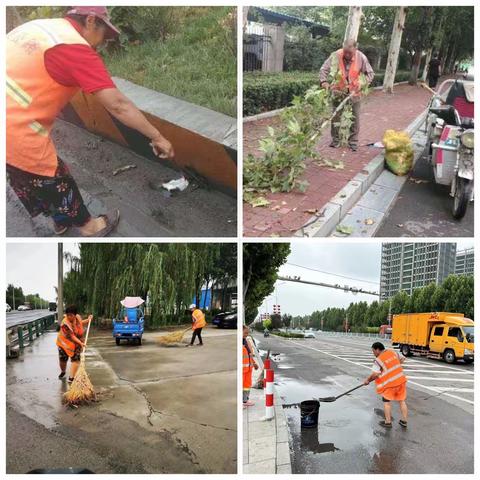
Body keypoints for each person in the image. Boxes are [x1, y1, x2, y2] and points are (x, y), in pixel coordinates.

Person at [6, 6, 174, 237]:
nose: (103, 42)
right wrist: (157, 136)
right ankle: (89, 227)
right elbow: (118, 105)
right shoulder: (73, 48)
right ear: (91, 20)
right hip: (13, 129)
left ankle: (59, 221)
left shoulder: (40, 27)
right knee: (51, 176)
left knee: (22, 173)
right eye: (105, 34)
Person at [319, 39, 375, 152]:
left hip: (355, 93)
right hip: (338, 91)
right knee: (336, 116)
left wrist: (363, 83)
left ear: (356, 48)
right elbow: (323, 69)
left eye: (350, 52)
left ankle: (353, 142)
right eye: (345, 52)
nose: (347, 54)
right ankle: (335, 141)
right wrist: (323, 82)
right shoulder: (336, 55)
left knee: (355, 118)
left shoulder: (361, 57)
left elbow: (370, 74)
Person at [364, 341, 408, 429]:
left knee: (386, 402)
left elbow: (375, 374)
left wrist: (367, 380)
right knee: (402, 401)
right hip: (401, 381)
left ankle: (388, 422)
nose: (373, 354)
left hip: (390, 384)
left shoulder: (378, 360)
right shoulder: (393, 352)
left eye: (373, 351)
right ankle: (404, 421)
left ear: (377, 349)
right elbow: (403, 359)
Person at [56, 305, 92, 383]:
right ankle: (63, 371)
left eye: (71, 315)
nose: (69, 317)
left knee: (75, 359)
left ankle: (71, 378)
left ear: (75, 315)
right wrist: (81, 343)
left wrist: (88, 320)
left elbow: (80, 323)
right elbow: (71, 336)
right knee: (63, 360)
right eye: (67, 315)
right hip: (63, 343)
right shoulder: (65, 324)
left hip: (76, 343)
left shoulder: (77, 318)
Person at [243, 325, 258, 408]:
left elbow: (250, 355)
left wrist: (254, 363)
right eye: (245, 333)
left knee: (246, 386)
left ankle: (245, 400)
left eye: (247, 333)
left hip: (248, 369)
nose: (246, 334)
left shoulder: (245, 341)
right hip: (242, 370)